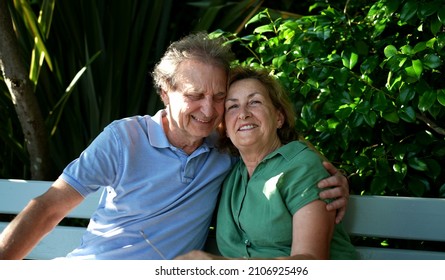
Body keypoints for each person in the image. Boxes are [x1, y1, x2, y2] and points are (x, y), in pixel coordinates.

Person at [0, 32, 349, 260]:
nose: (209, 110)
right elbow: (48, 207)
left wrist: (330, 175)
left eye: (219, 97)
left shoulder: (223, 147)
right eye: (195, 96)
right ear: (166, 93)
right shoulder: (124, 139)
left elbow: (274, 148)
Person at [175, 66, 357, 260]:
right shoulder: (228, 172)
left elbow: (310, 263)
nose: (243, 114)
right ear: (225, 128)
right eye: (233, 106)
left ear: (279, 117)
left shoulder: (303, 167)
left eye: (255, 102)